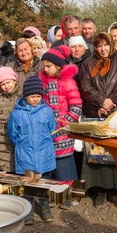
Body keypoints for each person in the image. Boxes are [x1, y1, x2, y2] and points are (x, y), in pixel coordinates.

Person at [79, 32, 117, 206]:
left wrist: (111, 102)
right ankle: (98, 190)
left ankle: (114, 189)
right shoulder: (87, 64)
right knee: (95, 152)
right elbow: (85, 86)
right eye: (99, 45)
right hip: (94, 112)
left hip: (115, 113)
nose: (103, 49)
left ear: (111, 45)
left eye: (105, 45)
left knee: (113, 153)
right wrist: (101, 101)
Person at [7, 75, 57, 224]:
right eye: (32, 96)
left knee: (44, 183)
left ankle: (44, 206)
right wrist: (22, 146)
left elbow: (52, 130)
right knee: (27, 183)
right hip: (25, 154)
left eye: (38, 96)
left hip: (44, 154)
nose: (35, 99)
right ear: (25, 96)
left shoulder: (47, 111)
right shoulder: (16, 113)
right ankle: (28, 210)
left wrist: (45, 145)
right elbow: (12, 134)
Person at [39, 46, 82, 193]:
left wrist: (64, 124)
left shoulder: (68, 82)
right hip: (47, 131)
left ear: (58, 66)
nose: (45, 69)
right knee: (50, 164)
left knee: (65, 166)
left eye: (48, 66)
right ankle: (53, 193)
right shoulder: (42, 82)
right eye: (44, 66)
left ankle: (70, 194)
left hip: (63, 131)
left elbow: (76, 106)